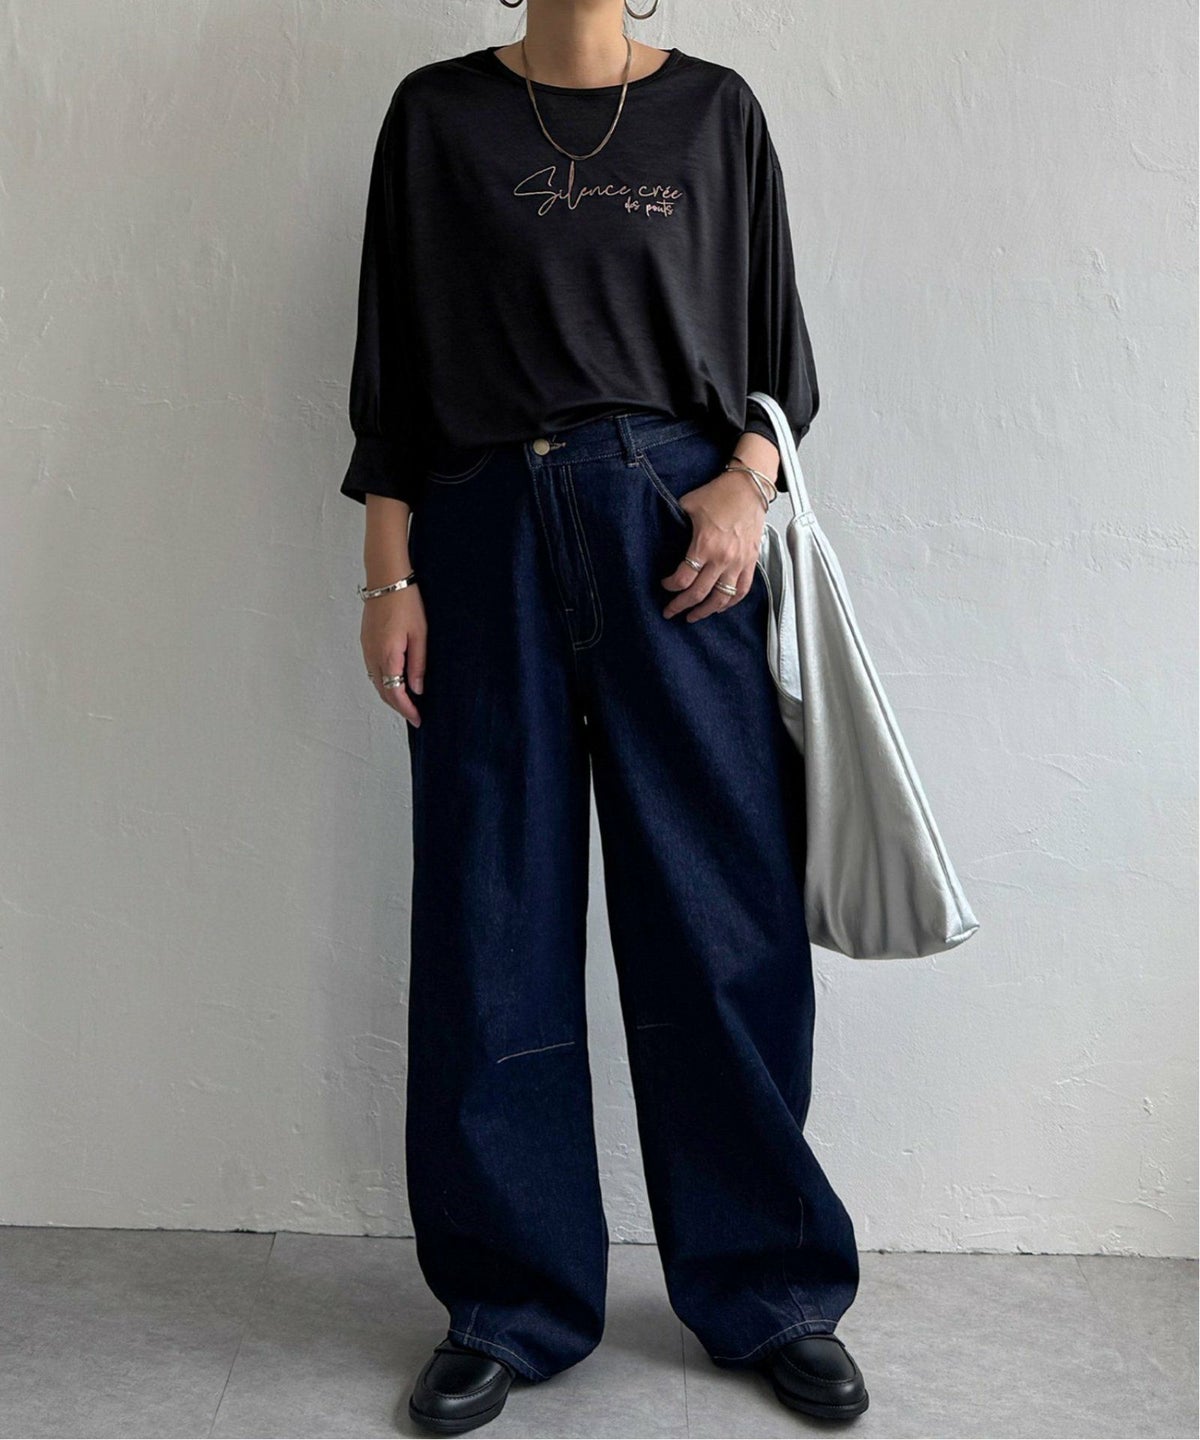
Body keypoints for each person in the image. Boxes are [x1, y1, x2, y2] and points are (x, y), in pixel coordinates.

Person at [338, 1, 868, 1431]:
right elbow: (394, 370)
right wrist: (388, 572)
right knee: (489, 915)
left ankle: (770, 1288)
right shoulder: (437, 116)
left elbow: (778, 353)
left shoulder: (716, 112)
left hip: (674, 539)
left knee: (721, 917)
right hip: (479, 532)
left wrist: (746, 482)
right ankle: (508, 1301)